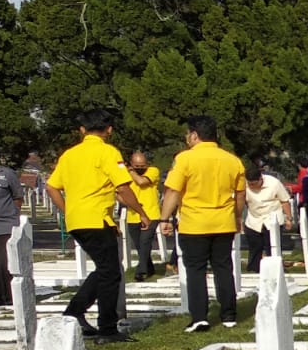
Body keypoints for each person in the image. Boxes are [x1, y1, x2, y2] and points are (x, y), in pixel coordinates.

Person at [46, 108, 149, 342]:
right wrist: (141, 212)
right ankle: (107, 328)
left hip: (76, 219)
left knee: (106, 268)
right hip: (96, 219)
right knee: (111, 272)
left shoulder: (69, 155)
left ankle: (74, 313)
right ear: (109, 130)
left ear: (83, 130)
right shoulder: (107, 152)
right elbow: (123, 187)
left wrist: (67, 209)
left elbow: (52, 186)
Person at [160, 115, 247, 332]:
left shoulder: (185, 159)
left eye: (187, 134)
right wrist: (237, 217)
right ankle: (229, 315)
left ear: (194, 135)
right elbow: (240, 194)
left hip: (194, 223)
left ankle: (200, 316)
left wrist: (164, 218)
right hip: (223, 222)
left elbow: (173, 190)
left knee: (196, 270)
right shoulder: (232, 160)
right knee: (223, 268)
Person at [0, 138, 24, 306]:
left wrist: (13, 216)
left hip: (4, 226)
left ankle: (10, 296)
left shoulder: (6, 173)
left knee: (5, 262)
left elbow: (18, 197)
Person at [243, 160, 293, 272]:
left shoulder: (274, 183)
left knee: (273, 247)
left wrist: (289, 218)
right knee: (255, 247)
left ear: (261, 178)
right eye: (250, 184)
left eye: (254, 184)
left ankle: (275, 269)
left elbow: (284, 201)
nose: (252, 186)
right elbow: (240, 201)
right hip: (254, 219)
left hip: (273, 218)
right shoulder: (243, 185)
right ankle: (254, 269)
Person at [122, 151, 162, 281]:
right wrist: (130, 203)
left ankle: (141, 271)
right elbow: (119, 194)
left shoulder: (153, 171)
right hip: (132, 215)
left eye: (142, 165)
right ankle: (149, 267)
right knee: (139, 245)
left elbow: (142, 182)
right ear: (132, 163)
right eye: (136, 165)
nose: (140, 168)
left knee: (145, 242)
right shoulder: (124, 175)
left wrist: (132, 171)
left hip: (151, 213)